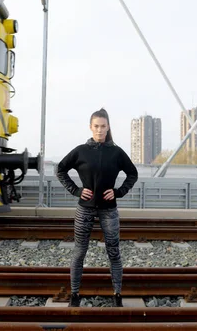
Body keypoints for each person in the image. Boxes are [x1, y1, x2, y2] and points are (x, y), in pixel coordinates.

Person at [56, 108, 138, 308]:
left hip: (109, 209)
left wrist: (118, 192)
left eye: (103, 126)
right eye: (96, 126)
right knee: (79, 251)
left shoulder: (116, 152)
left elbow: (132, 174)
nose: (100, 130)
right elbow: (60, 169)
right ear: (90, 127)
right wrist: (75, 190)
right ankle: (75, 294)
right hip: (85, 208)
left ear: (108, 127)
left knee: (114, 251)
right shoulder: (81, 151)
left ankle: (117, 294)